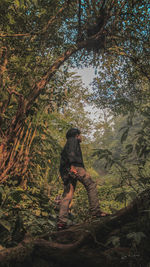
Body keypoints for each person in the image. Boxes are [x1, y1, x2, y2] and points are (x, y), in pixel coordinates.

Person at [57, 128, 108, 230]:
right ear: (76, 135)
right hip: (74, 167)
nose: (81, 137)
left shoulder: (67, 143)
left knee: (67, 195)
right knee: (91, 185)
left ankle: (61, 223)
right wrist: (72, 167)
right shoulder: (73, 141)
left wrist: (66, 174)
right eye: (80, 135)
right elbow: (71, 153)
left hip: (66, 171)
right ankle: (95, 211)